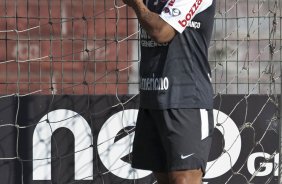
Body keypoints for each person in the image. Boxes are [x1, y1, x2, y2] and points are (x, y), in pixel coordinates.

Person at [122, 0, 216, 183]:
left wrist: (138, 6)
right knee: (164, 179)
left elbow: (161, 32)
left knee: (183, 179)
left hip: (187, 100)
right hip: (152, 98)